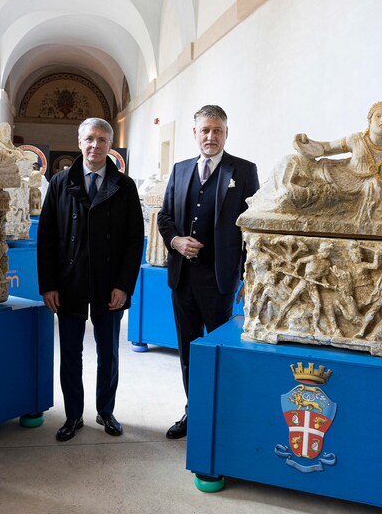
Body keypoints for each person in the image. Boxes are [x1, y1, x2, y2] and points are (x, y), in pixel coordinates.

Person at [37, 117, 143, 442]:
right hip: (69, 282)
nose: (95, 145)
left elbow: (133, 240)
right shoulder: (59, 182)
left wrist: (124, 285)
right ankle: (72, 416)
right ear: (79, 142)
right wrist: (48, 285)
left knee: (108, 352)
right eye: (89, 139)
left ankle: (106, 411)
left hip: (109, 285)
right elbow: (47, 237)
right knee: (70, 352)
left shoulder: (124, 187)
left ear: (110, 145)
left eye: (101, 139)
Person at [157, 105, 259, 439]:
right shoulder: (181, 169)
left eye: (217, 130)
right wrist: (175, 241)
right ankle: (194, 411)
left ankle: (220, 415)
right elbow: (165, 216)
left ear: (226, 133)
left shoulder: (243, 171)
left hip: (220, 279)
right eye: (205, 130)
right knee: (187, 349)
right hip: (183, 278)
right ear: (195, 133)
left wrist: (249, 274)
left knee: (217, 349)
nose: (211, 137)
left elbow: (252, 228)